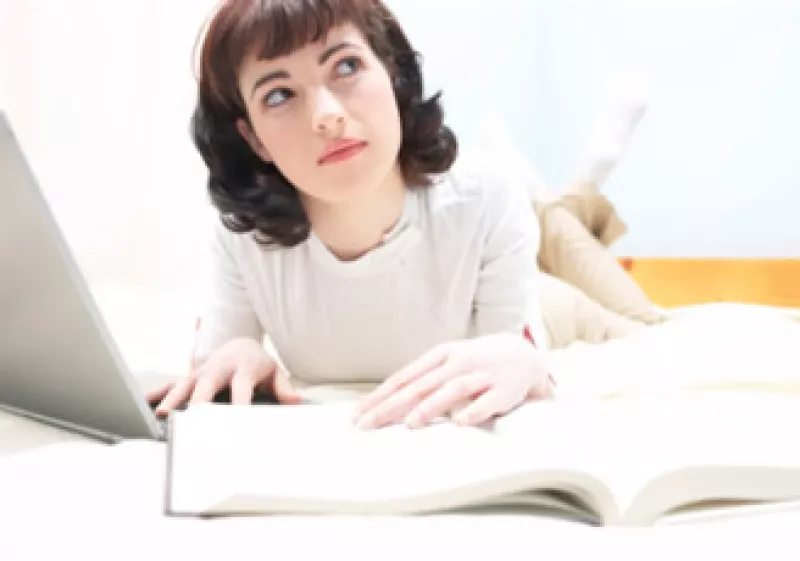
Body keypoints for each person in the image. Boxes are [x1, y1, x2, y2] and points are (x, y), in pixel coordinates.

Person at [152, 0, 554, 430]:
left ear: (393, 72)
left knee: (584, 273)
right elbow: (217, 366)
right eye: (279, 95)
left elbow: (523, 363)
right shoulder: (244, 239)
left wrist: (522, 360)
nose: (326, 116)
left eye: (346, 67)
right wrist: (240, 354)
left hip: (549, 289)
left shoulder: (486, 196)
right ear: (254, 139)